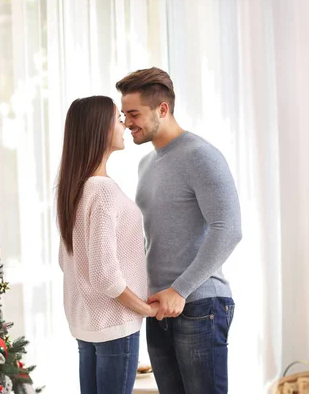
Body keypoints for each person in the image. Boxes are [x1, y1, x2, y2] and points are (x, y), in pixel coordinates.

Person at [116, 67, 242, 394]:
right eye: (123, 114)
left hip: (198, 305)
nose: (127, 122)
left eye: (133, 113)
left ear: (162, 109)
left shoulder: (200, 156)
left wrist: (181, 289)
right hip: (159, 308)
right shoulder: (147, 164)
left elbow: (228, 228)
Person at [56, 95, 158, 394]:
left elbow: (65, 262)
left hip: (86, 323)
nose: (125, 124)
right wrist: (144, 309)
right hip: (115, 323)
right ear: (100, 129)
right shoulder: (102, 191)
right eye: (118, 118)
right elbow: (104, 274)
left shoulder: (73, 188)